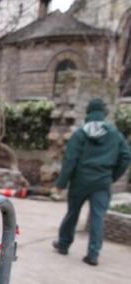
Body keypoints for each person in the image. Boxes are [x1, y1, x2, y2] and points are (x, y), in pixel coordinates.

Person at [52, 98, 131, 265]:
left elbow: (70, 160)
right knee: (98, 217)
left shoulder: (80, 134)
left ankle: (64, 244)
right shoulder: (115, 134)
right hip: (102, 182)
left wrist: (61, 184)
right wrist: (112, 176)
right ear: (103, 114)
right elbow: (126, 156)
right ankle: (93, 254)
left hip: (80, 180)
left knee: (72, 213)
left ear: (89, 112)